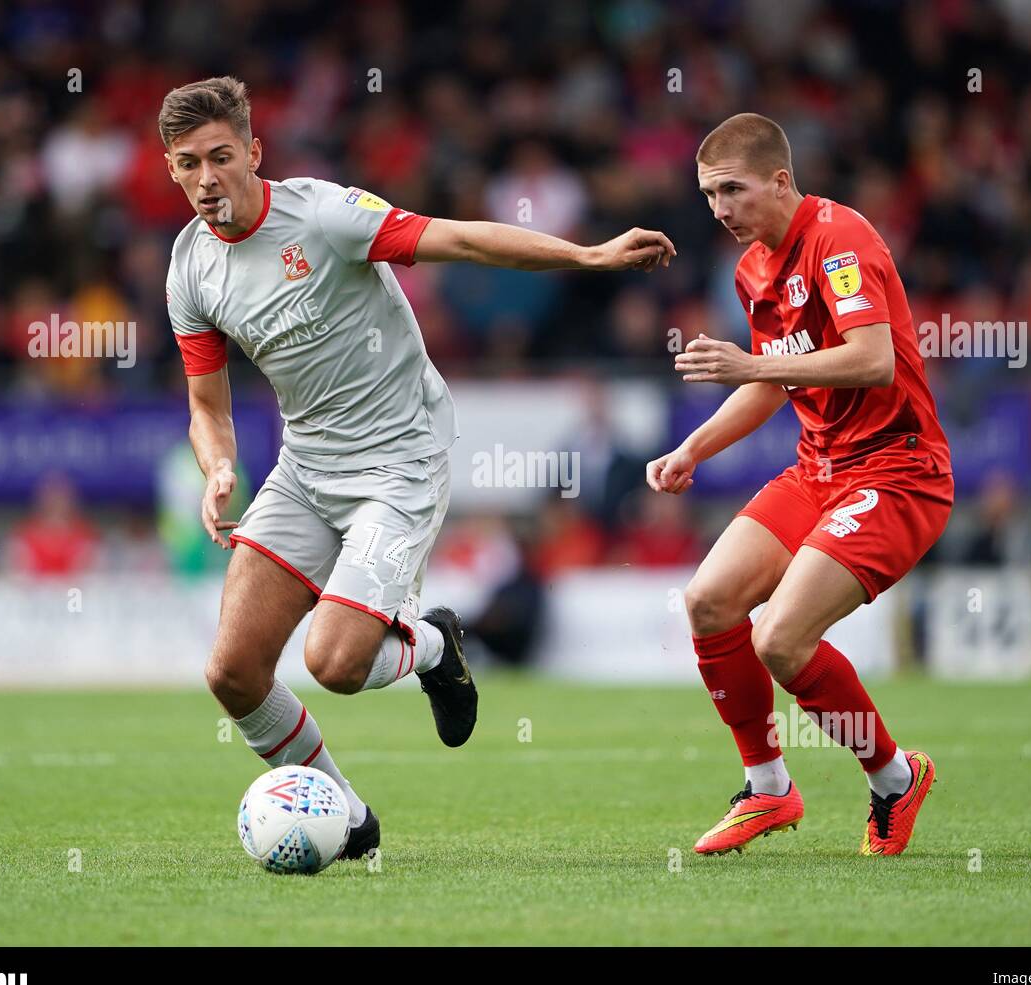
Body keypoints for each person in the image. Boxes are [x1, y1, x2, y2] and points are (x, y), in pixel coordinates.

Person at [162, 77, 676, 861]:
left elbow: (463, 239)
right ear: (171, 170)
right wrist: (219, 466)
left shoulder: (325, 216)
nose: (206, 179)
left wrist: (588, 253)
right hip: (306, 469)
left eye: (221, 157)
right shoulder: (191, 268)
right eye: (187, 164)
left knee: (333, 662)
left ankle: (433, 647)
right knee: (232, 673)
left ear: (254, 154)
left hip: (400, 461)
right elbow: (207, 405)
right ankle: (352, 823)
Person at [647, 114, 952, 857]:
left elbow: (872, 359)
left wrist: (750, 367)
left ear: (781, 182)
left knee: (781, 638)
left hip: (896, 471)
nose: (719, 208)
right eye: (708, 194)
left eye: (732, 190)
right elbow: (775, 379)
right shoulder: (753, 266)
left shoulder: (840, 241)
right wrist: (692, 448)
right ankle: (769, 787)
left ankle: (893, 778)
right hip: (819, 467)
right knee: (708, 602)